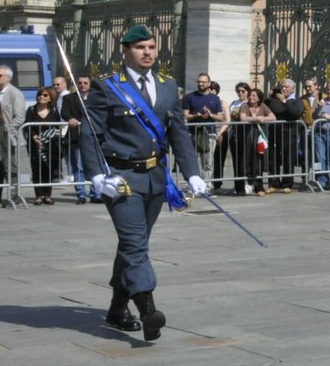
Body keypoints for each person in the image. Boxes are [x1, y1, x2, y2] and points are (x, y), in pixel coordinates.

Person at [82, 24, 205, 341]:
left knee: (132, 245)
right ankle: (149, 311)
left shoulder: (167, 86)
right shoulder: (108, 86)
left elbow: (178, 132)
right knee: (136, 245)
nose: (147, 52)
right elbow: (90, 133)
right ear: (125, 51)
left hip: (155, 178)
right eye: (140, 48)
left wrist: (192, 172)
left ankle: (115, 308)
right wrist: (97, 175)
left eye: (151, 47)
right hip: (121, 179)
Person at [24, 86, 65, 204]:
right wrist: (34, 137)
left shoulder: (53, 111)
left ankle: (47, 195)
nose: (41, 97)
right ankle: (38, 195)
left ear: (50, 98)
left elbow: (56, 126)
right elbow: (27, 125)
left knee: (48, 168)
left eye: (45, 95)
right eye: (40, 95)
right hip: (34, 143)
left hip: (50, 144)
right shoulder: (31, 109)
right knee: (36, 169)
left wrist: (48, 139)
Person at [181, 72, 223, 181]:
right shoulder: (189, 97)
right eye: (199, 82)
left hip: (209, 133)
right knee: (192, 161)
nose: (200, 84)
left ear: (209, 83)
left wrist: (211, 115)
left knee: (207, 162)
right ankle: (193, 185)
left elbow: (221, 117)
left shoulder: (215, 99)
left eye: (203, 82)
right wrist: (196, 115)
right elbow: (185, 115)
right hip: (193, 133)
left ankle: (207, 186)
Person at [56, 74, 91, 204]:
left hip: (93, 137)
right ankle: (81, 194)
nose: (82, 85)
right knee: (79, 166)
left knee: (93, 166)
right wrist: (70, 118)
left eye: (85, 83)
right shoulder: (69, 98)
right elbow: (64, 112)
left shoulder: (95, 97)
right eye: (80, 83)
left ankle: (95, 193)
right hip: (77, 136)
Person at [236, 84, 274, 195]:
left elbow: (273, 117)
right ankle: (245, 185)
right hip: (247, 138)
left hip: (259, 138)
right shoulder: (244, 106)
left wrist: (263, 119)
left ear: (259, 98)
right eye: (250, 95)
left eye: (254, 95)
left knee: (259, 160)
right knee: (247, 160)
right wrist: (257, 118)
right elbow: (243, 118)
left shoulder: (263, 106)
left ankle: (259, 187)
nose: (251, 97)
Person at [0, 65, 23, 206]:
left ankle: (14, 195)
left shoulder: (14, 93)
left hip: (8, 134)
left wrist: (8, 129)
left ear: (8, 77)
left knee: (10, 166)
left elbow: (19, 117)